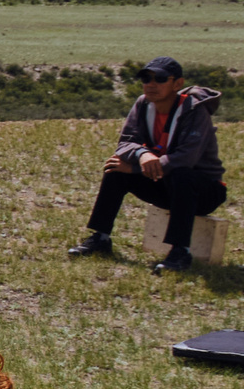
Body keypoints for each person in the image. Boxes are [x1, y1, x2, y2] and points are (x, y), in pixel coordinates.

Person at [67, 56, 224, 272]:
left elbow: (185, 158)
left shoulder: (195, 110)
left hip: (204, 191)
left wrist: (135, 168)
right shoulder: (143, 104)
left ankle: (180, 252)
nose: (151, 84)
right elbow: (125, 143)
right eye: (145, 78)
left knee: (181, 175)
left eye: (159, 78)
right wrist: (142, 154)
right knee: (115, 168)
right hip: (164, 184)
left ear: (177, 84)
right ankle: (100, 238)